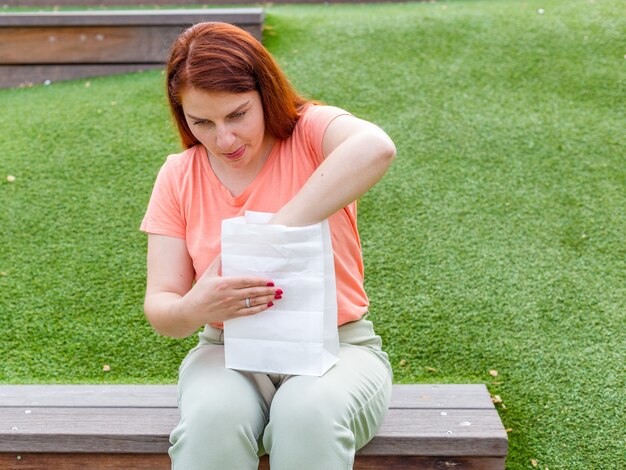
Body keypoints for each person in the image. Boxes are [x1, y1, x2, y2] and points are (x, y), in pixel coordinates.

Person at [140, 21, 396, 470]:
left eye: (237, 114)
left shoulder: (311, 134)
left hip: (339, 349)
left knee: (307, 415)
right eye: (202, 121)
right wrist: (193, 307)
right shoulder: (179, 175)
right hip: (228, 351)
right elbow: (162, 308)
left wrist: (266, 239)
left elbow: (376, 147)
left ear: (265, 93)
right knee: (211, 422)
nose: (224, 139)